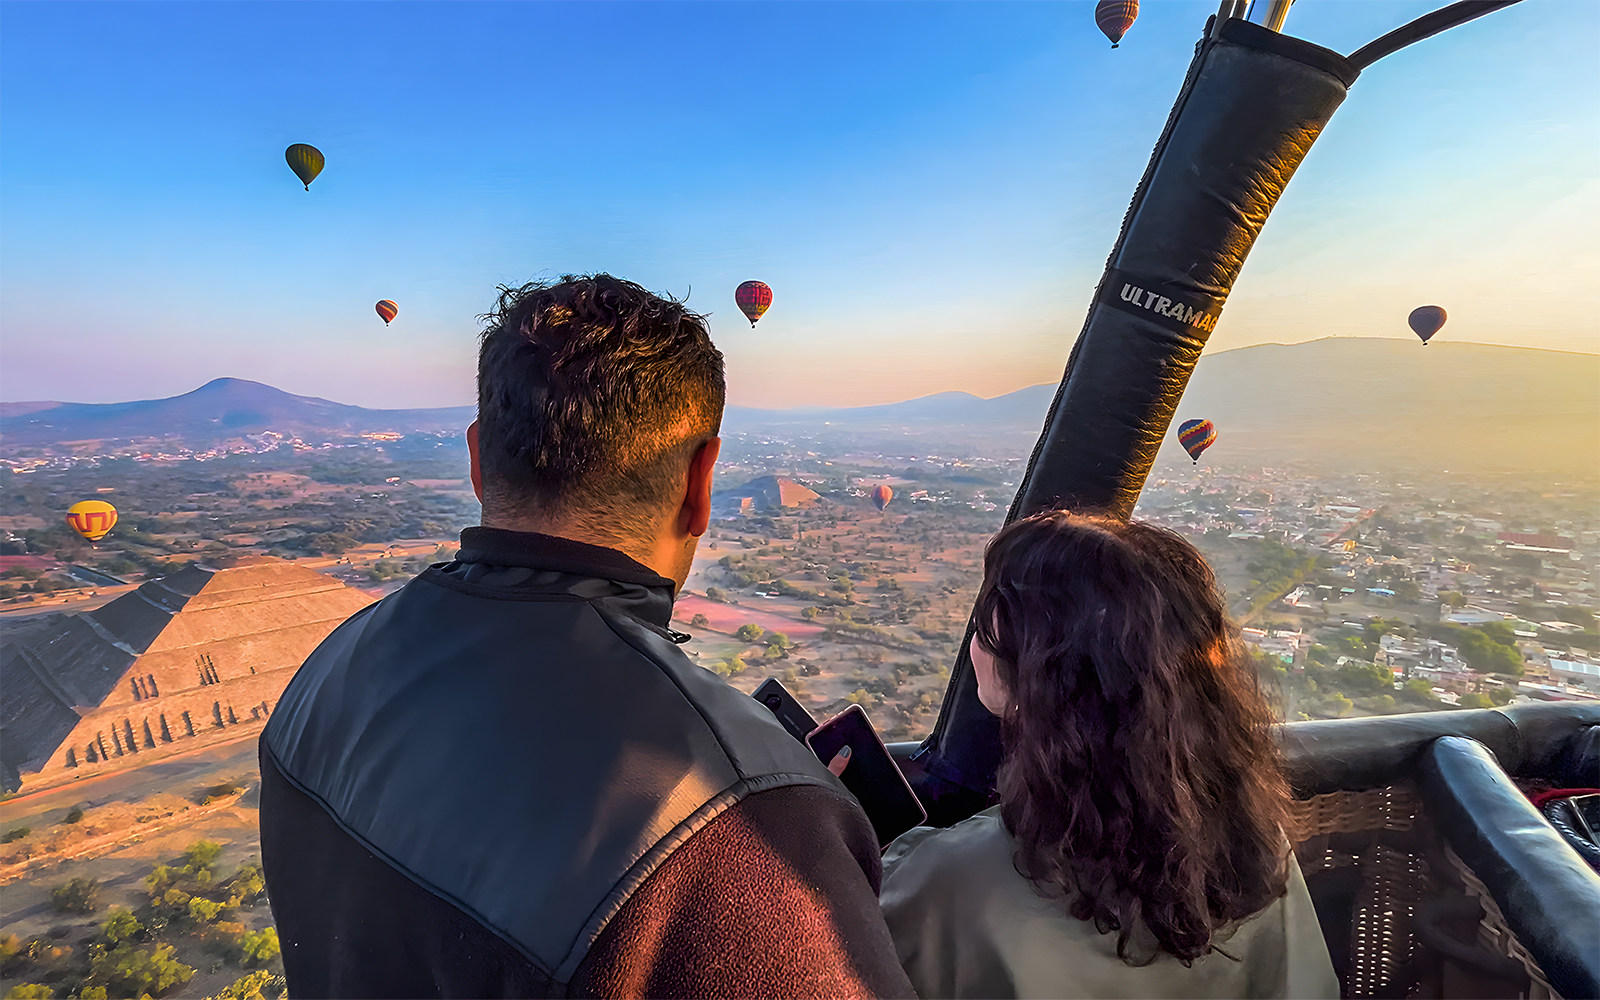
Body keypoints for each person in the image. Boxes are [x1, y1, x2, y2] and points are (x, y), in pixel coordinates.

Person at [259, 274, 915, 999]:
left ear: (478, 461)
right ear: (703, 483)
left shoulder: (325, 670)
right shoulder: (737, 824)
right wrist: (797, 850)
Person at [879, 511, 1338, 999]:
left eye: (985, 632)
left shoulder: (959, 882)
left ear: (1033, 679)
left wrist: (821, 824)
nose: (974, 646)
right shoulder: (1256, 845)